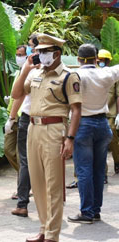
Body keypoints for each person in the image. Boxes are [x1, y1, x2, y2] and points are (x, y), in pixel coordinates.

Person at [12, 33, 82, 242]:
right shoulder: (36, 74)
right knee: (38, 181)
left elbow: (76, 110)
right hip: (33, 128)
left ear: (56, 53)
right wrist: (25, 69)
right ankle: (43, 228)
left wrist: (70, 138)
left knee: (53, 184)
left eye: (44, 52)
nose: (39, 55)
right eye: (38, 51)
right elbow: (17, 94)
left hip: (55, 129)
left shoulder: (69, 76)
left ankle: (52, 234)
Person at [68, 44, 119, 224]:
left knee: (84, 170)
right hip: (102, 123)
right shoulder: (106, 74)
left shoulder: (75, 75)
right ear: (96, 59)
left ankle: (87, 212)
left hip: (83, 124)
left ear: (78, 59)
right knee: (98, 170)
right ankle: (95, 210)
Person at [11, 35, 39, 217]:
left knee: (26, 162)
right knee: (30, 161)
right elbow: (17, 94)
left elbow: (17, 94)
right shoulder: (31, 67)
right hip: (33, 118)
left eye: (31, 47)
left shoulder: (32, 67)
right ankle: (24, 203)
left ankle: (23, 204)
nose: (29, 52)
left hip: (34, 118)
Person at [4, 45, 27, 200]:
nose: (19, 57)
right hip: (13, 117)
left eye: (21, 55)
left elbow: (23, 96)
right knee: (8, 149)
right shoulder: (18, 72)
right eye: (17, 54)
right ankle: (27, 179)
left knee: (21, 155)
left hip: (23, 117)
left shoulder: (30, 72)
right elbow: (15, 96)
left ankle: (23, 187)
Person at [97, 49, 119, 180]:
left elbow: (118, 95)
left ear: (108, 61)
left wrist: (118, 114)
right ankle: (102, 173)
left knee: (112, 140)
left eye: (103, 60)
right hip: (96, 112)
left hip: (110, 112)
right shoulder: (93, 73)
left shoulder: (114, 75)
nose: (101, 62)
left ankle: (117, 161)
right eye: (99, 60)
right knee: (101, 143)